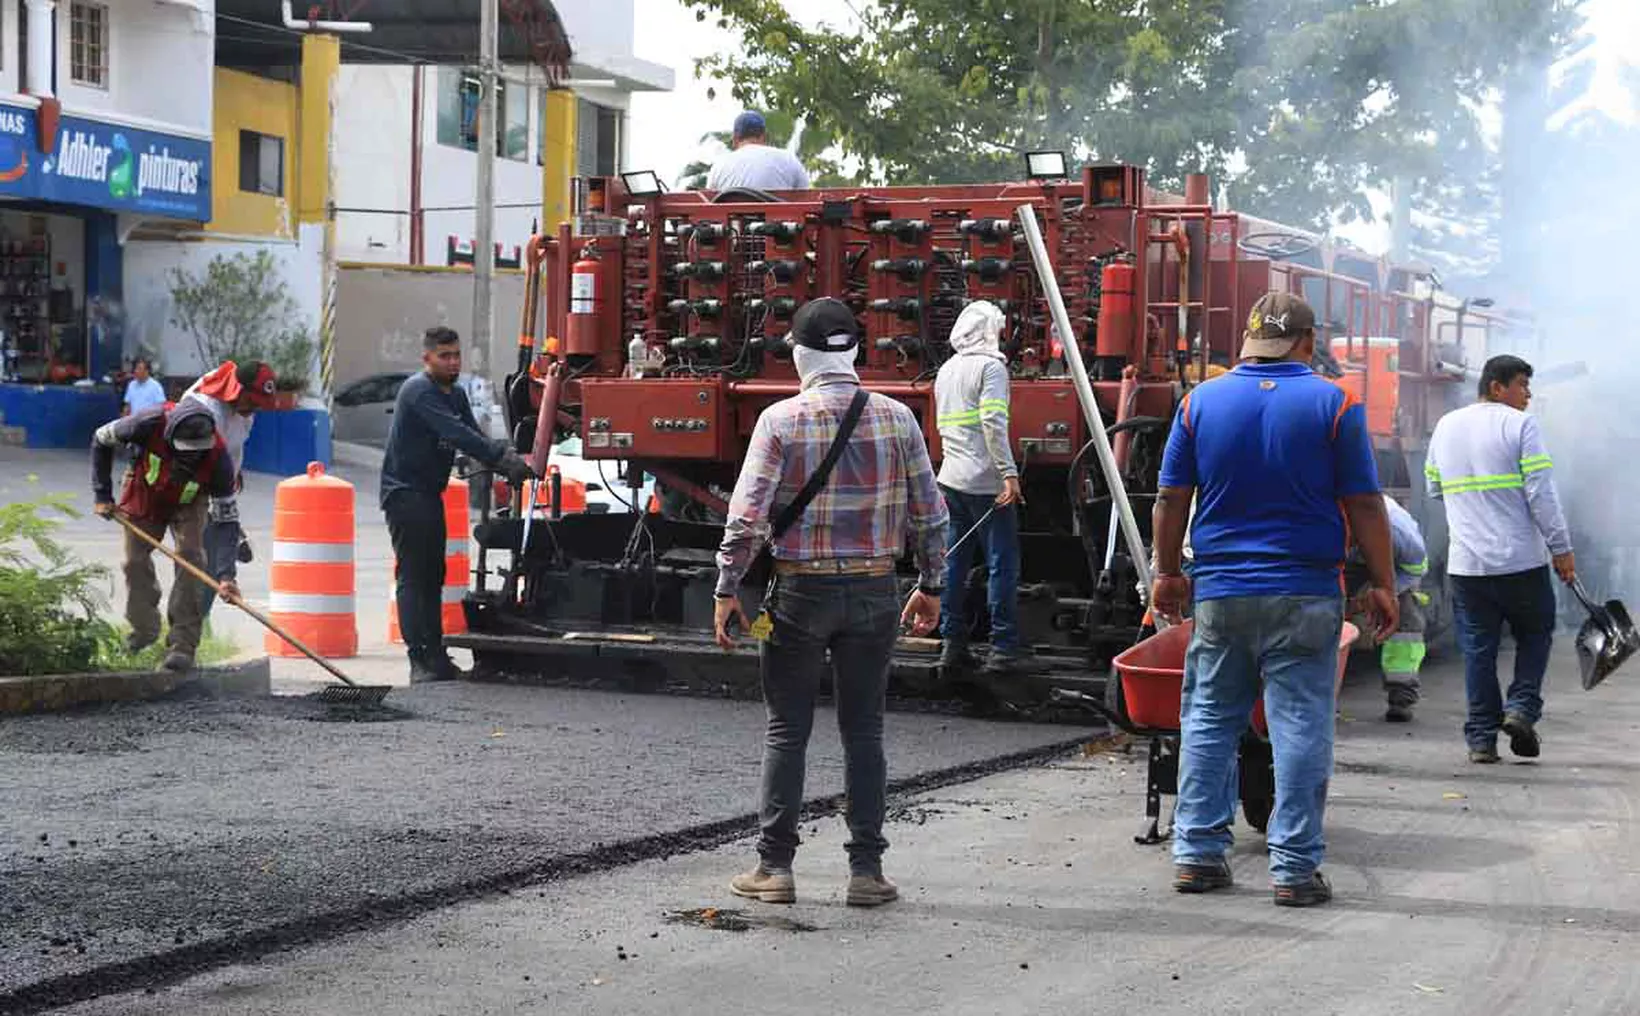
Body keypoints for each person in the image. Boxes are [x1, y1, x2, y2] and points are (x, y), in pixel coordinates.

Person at [1152, 292, 1397, 908]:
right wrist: (1386, 584)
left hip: (1223, 591)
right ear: (1309, 343)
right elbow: (1366, 503)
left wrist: (1165, 575)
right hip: (1307, 591)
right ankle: (1292, 868)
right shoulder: (1335, 402)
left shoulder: (1199, 403)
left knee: (1209, 718)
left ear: (1250, 343)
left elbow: (1170, 499)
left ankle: (1198, 855)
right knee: (1299, 725)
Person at [713, 297, 947, 908]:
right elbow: (931, 514)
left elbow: (745, 518)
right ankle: (866, 872)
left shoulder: (780, 421)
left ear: (799, 354)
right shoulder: (899, 419)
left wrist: (726, 588)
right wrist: (931, 585)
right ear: (854, 352)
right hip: (875, 591)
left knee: (787, 729)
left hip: (797, 591)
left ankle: (775, 869)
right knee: (863, 731)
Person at [1425, 354, 1574, 764]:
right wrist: (1561, 549)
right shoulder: (1521, 425)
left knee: (1478, 651)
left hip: (1467, 566)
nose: (1527, 395)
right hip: (1521, 562)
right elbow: (1542, 495)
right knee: (1535, 634)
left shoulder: (1445, 426)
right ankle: (1521, 710)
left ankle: (1481, 740)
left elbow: (1434, 487)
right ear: (1496, 387)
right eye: (1522, 385)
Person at [382, 327, 532, 684]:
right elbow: (455, 432)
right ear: (427, 359)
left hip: (428, 493)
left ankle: (437, 657)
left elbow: (473, 434)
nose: (452, 362)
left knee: (433, 575)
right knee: (415, 576)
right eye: (444, 356)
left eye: (455, 356)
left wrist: (502, 461)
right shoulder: (419, 391)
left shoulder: (456, 393)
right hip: (405, 493)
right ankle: (418, 659)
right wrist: (502, 458)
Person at [91, 401, 242, 672]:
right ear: (170, 435)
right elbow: (100, 439)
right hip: (144, 491)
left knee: (192, 559)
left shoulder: (219, 459)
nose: (191, 458)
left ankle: (183, 645)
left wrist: (227, 575)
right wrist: (103, 495)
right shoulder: (144, 424)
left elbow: (227, 521)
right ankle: (144, 630)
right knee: (133, 562)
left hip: (190, 500)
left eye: (197, 452)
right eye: (185, 451)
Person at [933, 300, 1032, 676]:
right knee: (1001, 563)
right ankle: (1003, 647)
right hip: (987, 484)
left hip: (951, 479)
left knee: (954, 561)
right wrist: (1009, 474)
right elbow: (992, 420)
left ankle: (951, 644)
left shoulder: (947, 370)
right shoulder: (991, 368)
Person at [178, 360, 279, 611]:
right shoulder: (205, 411)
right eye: (252, 401)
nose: (255, 409)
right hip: (189, 486)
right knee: (205, 560)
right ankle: (189, 628)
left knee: (215, 561)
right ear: (237, 391)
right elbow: (201, 461)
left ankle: (197, 625)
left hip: (219, 483)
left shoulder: (244, 413)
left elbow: (234, 448)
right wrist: (220, 508)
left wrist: (234, 476)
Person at [705, 111, 811, 192]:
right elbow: (806, 195)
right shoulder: (788, 158)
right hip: (777, 219)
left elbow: (710, 202)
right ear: (764, 136)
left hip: (733, 220)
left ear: (735, 139)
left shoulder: (719, 165)